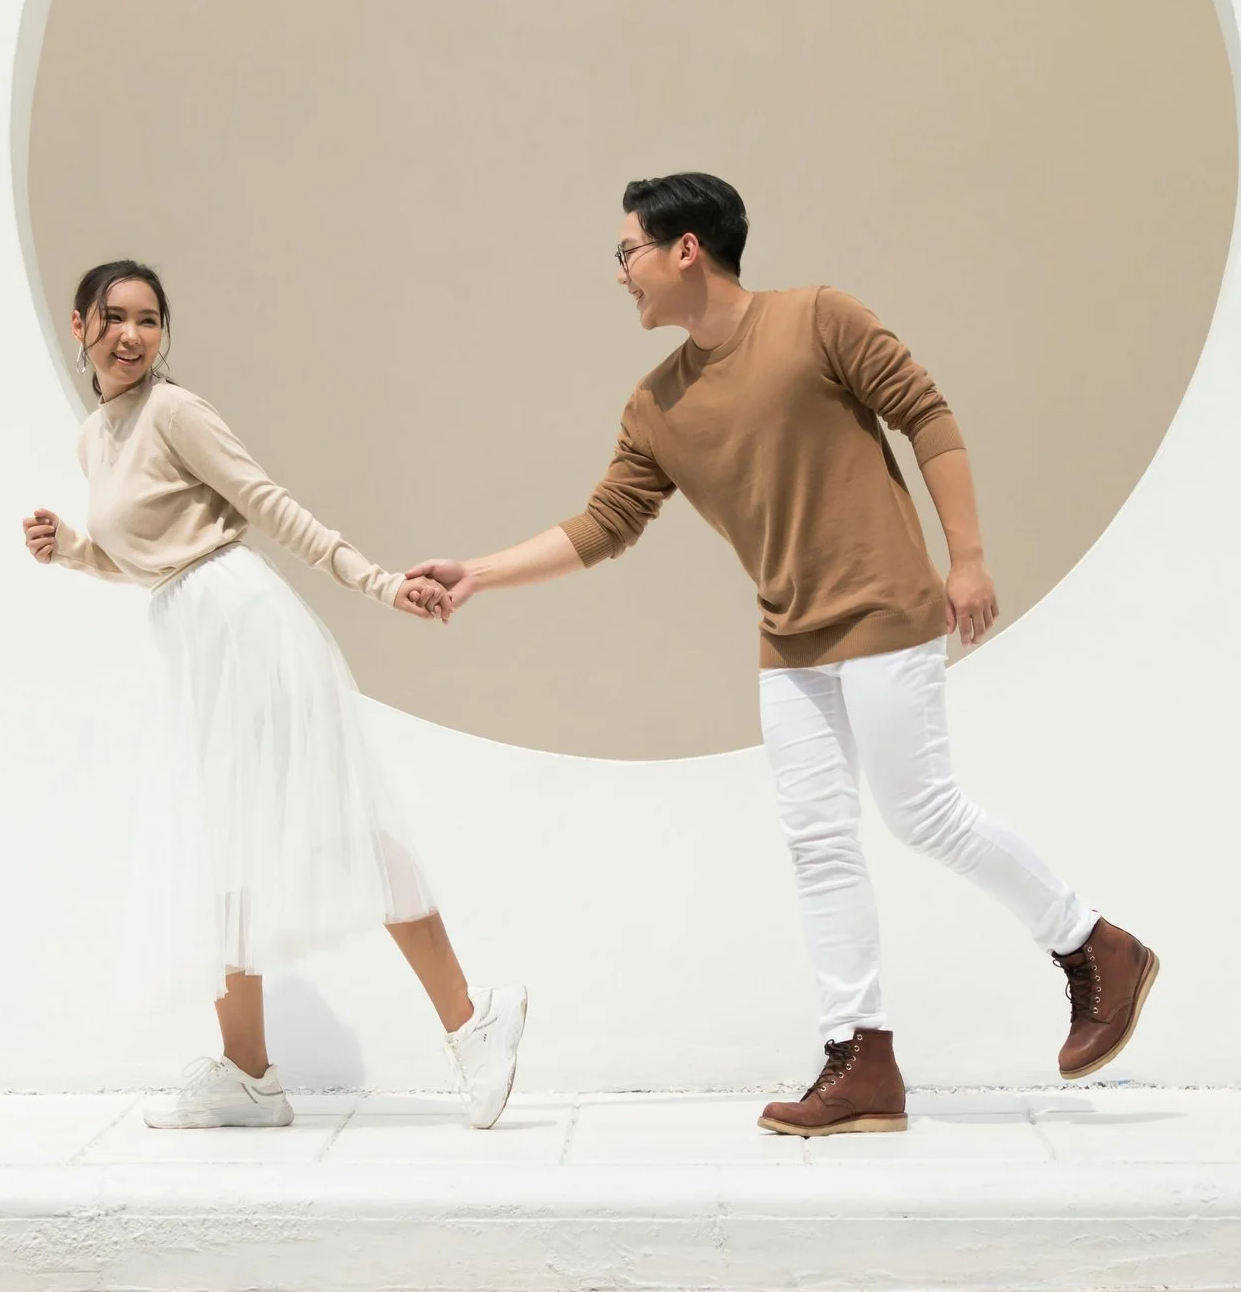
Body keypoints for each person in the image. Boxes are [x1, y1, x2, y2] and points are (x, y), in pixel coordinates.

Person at [409, 174, 1157, 1137]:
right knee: (817, 843)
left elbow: (927, 416)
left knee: (921, 810)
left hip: (885, 606)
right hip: (789, 636)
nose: (621, 275)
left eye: (628, 252)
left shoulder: (818, 318)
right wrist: (478, 572)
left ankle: (1095, 947)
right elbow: (606, 522)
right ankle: (862, 1060)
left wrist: (966, 559)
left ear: (686, 249)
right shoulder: (657, 403)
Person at [25, 258, 525, 1130]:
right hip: (196, 636)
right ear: (80, 327)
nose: (133, 336)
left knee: (330, 824)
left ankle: (472, 1020)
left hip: (244, 627)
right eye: (114, 318)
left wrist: (378, 584)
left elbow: (268, 503)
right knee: (222, 851)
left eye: (149, 319)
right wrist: (72, 547)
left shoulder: (176, 411)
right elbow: (148, 557)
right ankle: (249, 1074)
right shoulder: (96, 436)